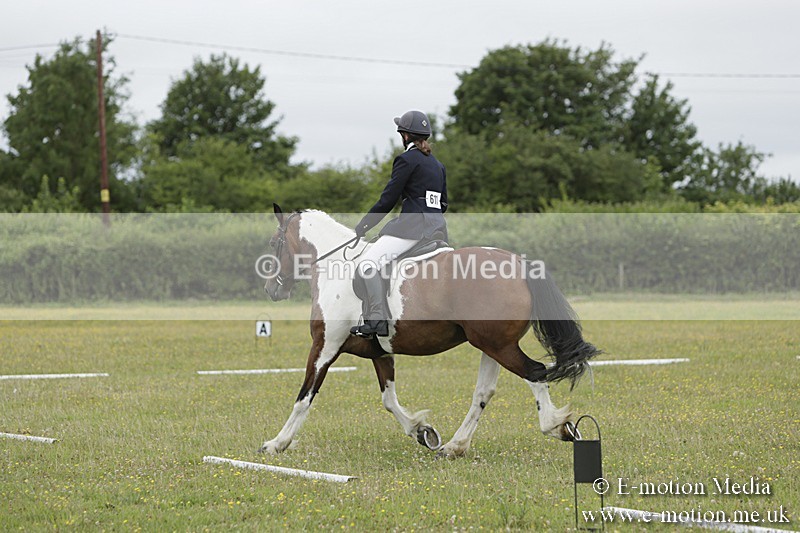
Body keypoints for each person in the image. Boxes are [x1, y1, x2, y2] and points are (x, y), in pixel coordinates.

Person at [350, 110, 448, 338]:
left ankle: (377, 320)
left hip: (412, 229)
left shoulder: (406, 160)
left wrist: (364, 225)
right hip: (437, 230)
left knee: (368, 263)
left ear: (404, 136)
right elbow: (443, 203)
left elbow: (388, 199)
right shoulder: (437, 165)